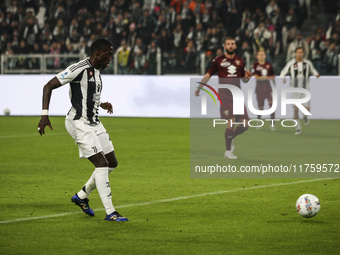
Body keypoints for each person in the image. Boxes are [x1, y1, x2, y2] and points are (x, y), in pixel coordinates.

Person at [37, 39, 129, 222]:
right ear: (97, 53)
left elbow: (87, 94)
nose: (111, 58)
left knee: (112, 162)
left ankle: (81, 195)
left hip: (94, 121)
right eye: (108, 54)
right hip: (79, 123)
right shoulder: (78, 68)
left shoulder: (97, 71)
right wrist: (45, 115)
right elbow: (48, 86)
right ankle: (111, 212)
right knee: (101, 164)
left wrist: (101, 103)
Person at [195, 37, 253, 159]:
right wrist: (199, 87)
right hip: (225, 94)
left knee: (246, 125)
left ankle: (231, 137)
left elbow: (244, 79)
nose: (230, 46)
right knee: (230, 122)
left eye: (232, 44)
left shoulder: (240, 61)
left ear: (236, 46)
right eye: (228, 44)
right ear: (225, 47)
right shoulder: (218, 60)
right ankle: (228, 152)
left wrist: (248, 77)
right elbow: (208, 75)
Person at [280, 47, 320, 135]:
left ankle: (305, 117)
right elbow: (283, 72)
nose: (300, 54)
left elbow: (313, 70)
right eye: (298, 52)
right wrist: (283, 78)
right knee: (295, 109)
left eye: (301, 52)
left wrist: (316, 74)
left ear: (303, 53)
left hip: (305, 89)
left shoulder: (307, 63)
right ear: (295, 53)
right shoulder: (291, 63)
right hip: (294, 90)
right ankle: (298, 128)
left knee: (307, 109)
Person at [251, 49, 276, 130]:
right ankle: (259, 122)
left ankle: (272, 124)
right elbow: (256, 78)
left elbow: (272, 76)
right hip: (259, 89)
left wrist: (273, 82)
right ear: (257, 56)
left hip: (268, 88)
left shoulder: (269, 65)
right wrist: (266, 78)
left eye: (263, 55)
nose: (261, 56)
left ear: (265, 56)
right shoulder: (255, 65)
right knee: (260, 108)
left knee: (272, 106)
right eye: (260, 55)